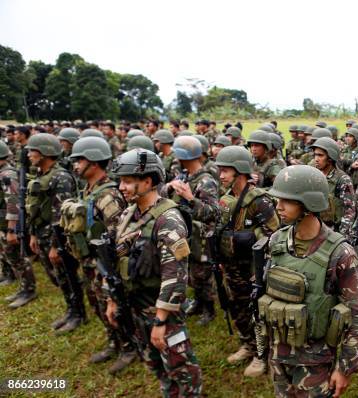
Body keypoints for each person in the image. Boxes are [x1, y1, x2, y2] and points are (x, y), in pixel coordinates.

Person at [263, 165, 358, 397]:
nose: (278, 206)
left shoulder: (341, 254)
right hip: (279, 351)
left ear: (309, 204)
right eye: (278, 199)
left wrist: (346, 368)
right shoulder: (277, 241)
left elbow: (356, 315)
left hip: (315, 361)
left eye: (287, 201)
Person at [108, 149, 202, 396]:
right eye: (120, 181)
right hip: (136, 303)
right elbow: (117, 258)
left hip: (162, 308)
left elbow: (176, 275)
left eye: (128, 181)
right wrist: (111, 297)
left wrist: (161, 320)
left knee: (179, 363)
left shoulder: (168, 219)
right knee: (154, 361)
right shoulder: (130, 213)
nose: (121, 187)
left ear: (147, 181)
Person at [63, 136, 136, 373]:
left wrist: (109, 273)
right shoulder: (89, 190)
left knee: (114, 306)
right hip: (91, 261)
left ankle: (129, 346)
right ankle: (114, 341)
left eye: (79, 160)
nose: (75, 164)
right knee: (98, 304)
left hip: (106, 265)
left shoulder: (109, 196)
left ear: (93, 161)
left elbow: (119, 237)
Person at [215, 146, 280, 376]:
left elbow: (275, 234)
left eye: (226, 170)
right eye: (220, 170)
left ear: (240, 171)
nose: (221, 175)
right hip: (231, 266)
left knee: (257, 312)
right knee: (236, 306)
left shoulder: (258, 200)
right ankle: (247, 344)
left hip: (253, 268)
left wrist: (251, 241)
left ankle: (262, 355)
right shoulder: (226, 199)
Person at [25, 133, 83, 332]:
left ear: (45, 152)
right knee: (60, 277)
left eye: (33, 151)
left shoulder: (61, 178)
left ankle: (78, 313)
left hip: (57, 239)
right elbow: (36, 207)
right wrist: (33, 234)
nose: (30, 154)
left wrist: (56, 246)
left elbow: (62, 218)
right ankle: (70, 309)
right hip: (41, 234)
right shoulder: (41, 174)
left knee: (69, 275)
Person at [161, 136, 220, 326]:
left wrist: (190, 198)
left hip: (201, 237)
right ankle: (199, 302)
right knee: (191, 273)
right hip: (186, 233)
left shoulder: (206, 181)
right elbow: (161, 195)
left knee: (202, 274)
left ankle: (209, 309)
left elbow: (213, 213)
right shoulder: (183, 176)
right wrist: (170, 187)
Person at [1, 140, 36, 307]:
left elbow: (13, 202)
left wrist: (11, 229)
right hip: (3, 221)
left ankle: (28, 289)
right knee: (10, 254)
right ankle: (22, 286)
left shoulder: (6, 175)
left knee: (18, 257)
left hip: (9, 223)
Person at [311, 137, 356, 243]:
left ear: (330, 158)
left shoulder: (342, 179)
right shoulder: (313, 175)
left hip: (334, 231)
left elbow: (349, 211)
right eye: (315, 155)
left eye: (320, 155)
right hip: (314, 229)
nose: (316, 159)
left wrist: (340, 237)